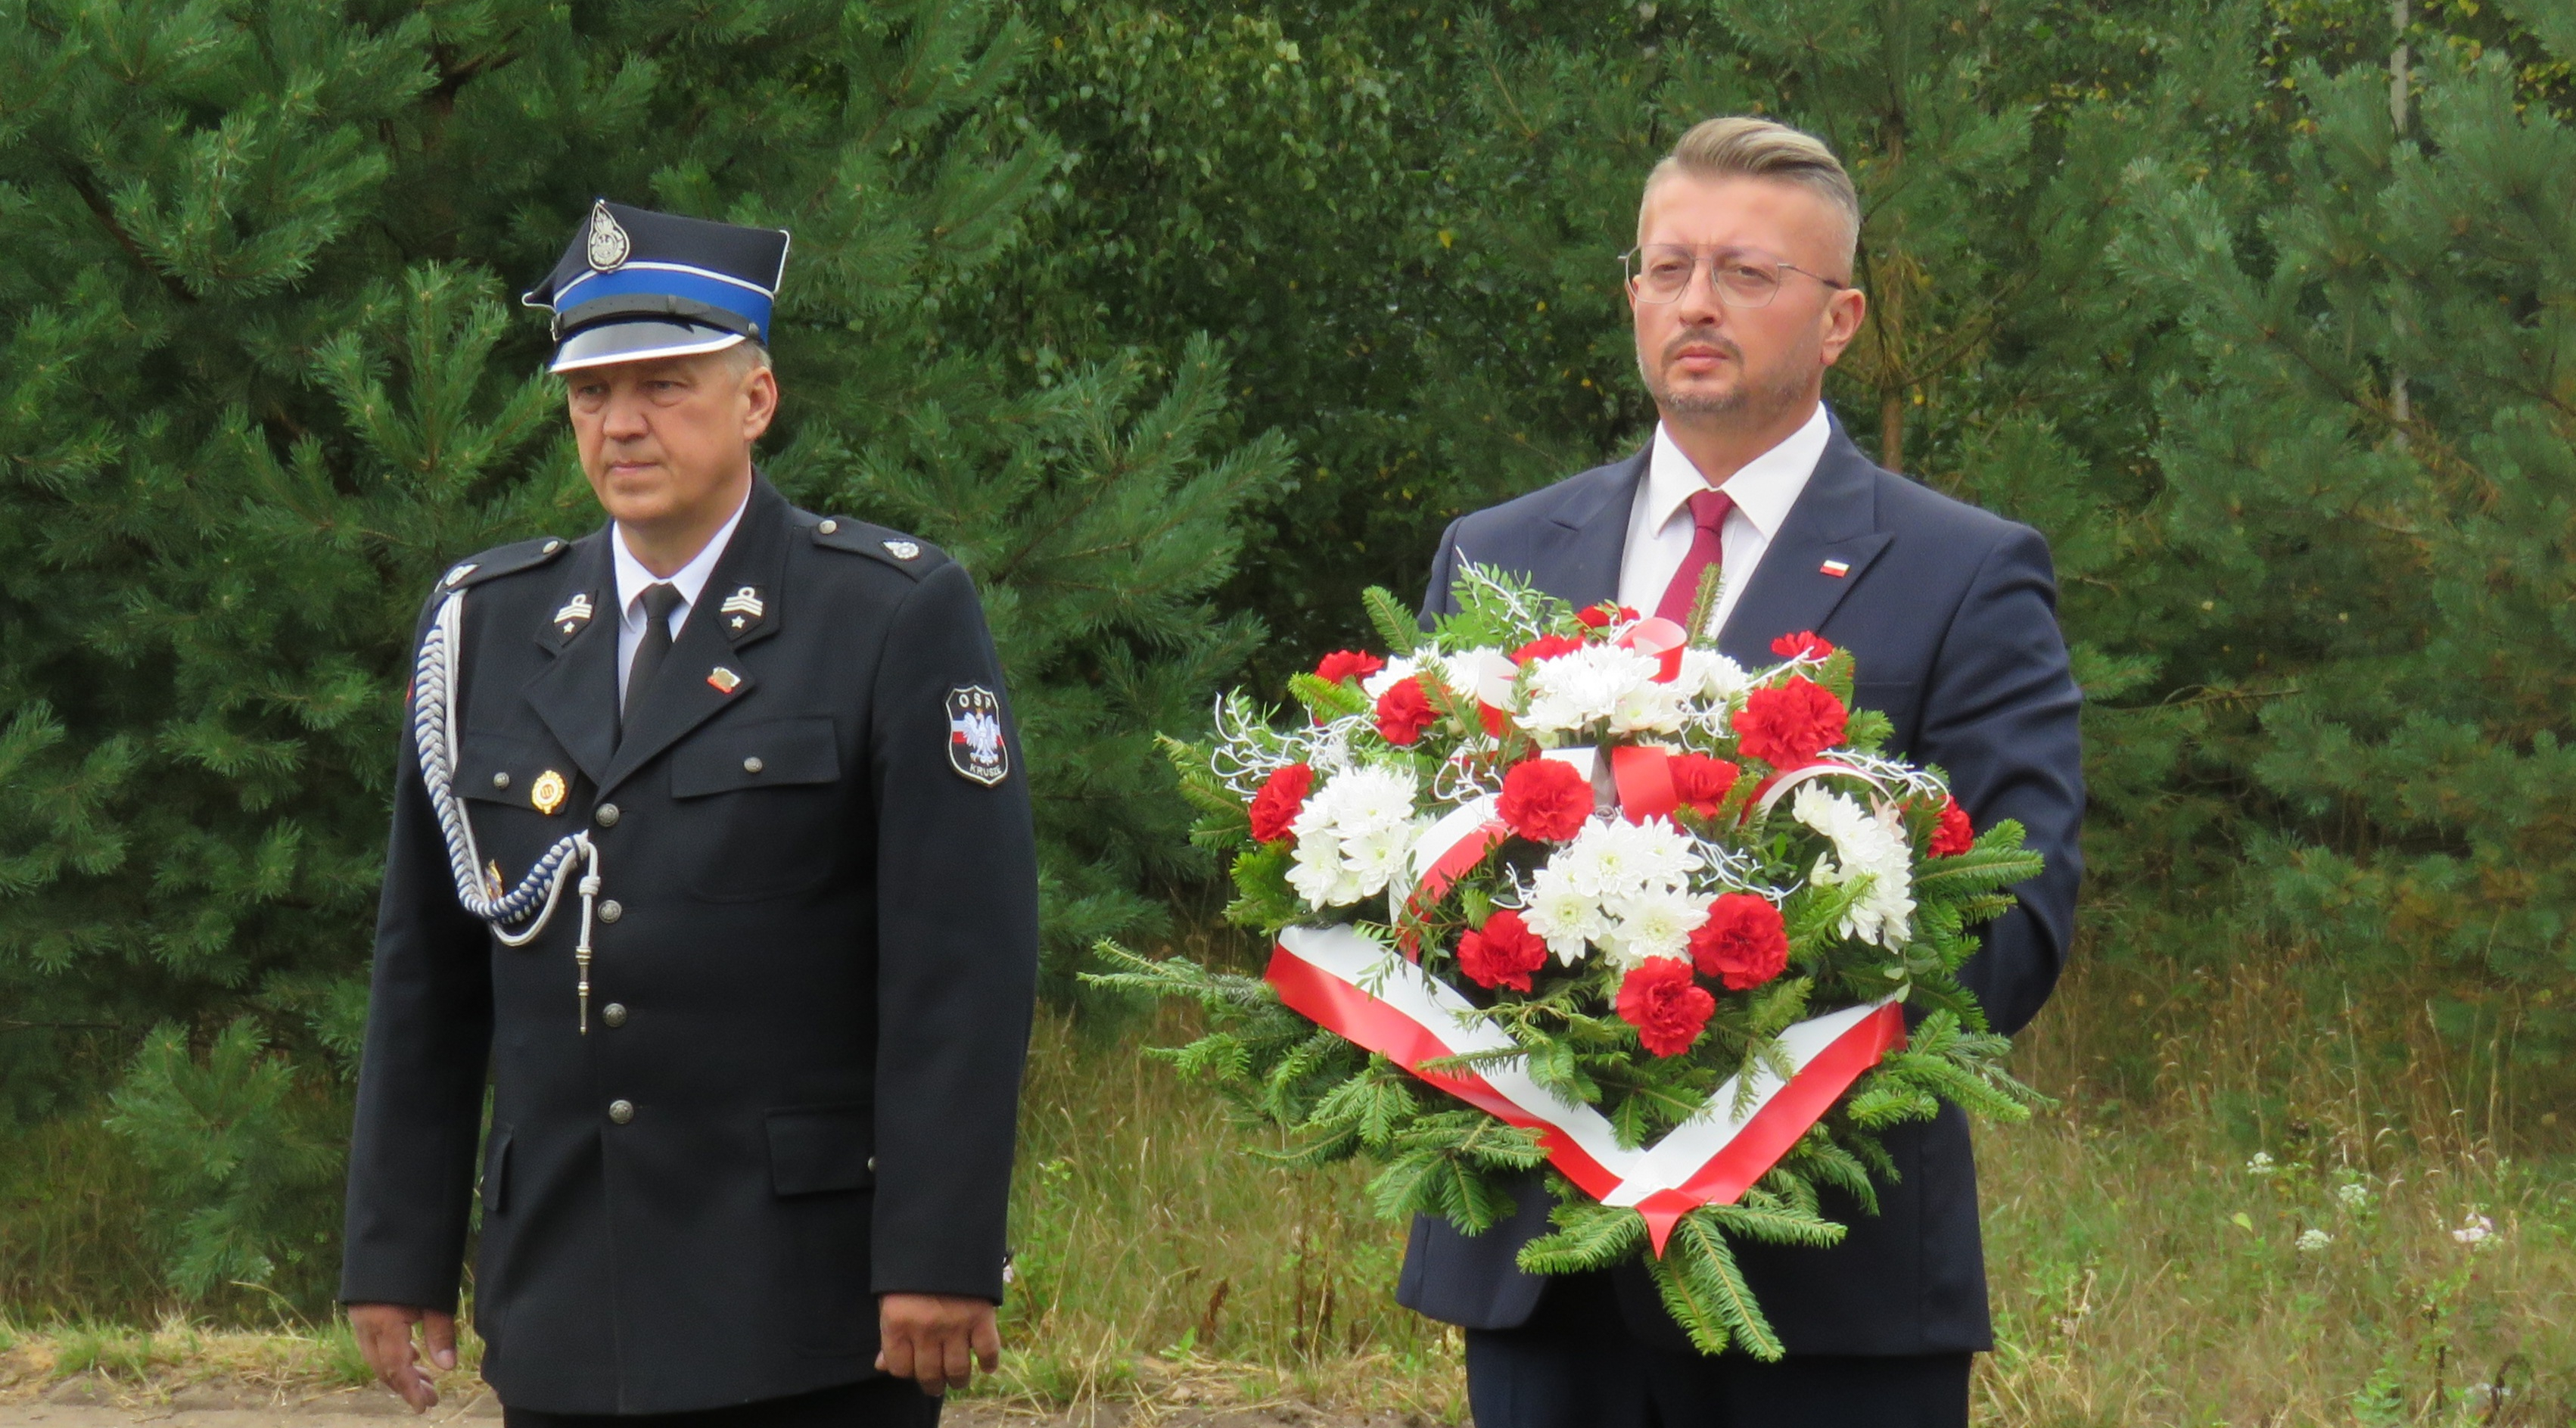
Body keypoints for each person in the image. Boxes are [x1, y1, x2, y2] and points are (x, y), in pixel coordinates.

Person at [1405, 118, 2086, 1427]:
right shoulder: (1497, 554)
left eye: (1748, 274)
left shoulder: (1963, 571)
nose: (1697, 303)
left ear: (1840, 321)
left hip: (1830, 1275)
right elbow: (1418, 869)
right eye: (1668, 269)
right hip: (1548, 1277)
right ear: (1633, 296)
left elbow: (2018, 912)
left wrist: (1746, 1062)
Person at [339, 200, 1040, 1428]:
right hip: (565, 1294)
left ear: (755, 400)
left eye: (664, 387)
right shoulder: (486, 626)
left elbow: (958, 965)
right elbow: (425, 973)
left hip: (803, 1302)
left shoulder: (886, 614)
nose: (621, 424)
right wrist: (398, 1254)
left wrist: (937, 1253)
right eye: (591, 394)